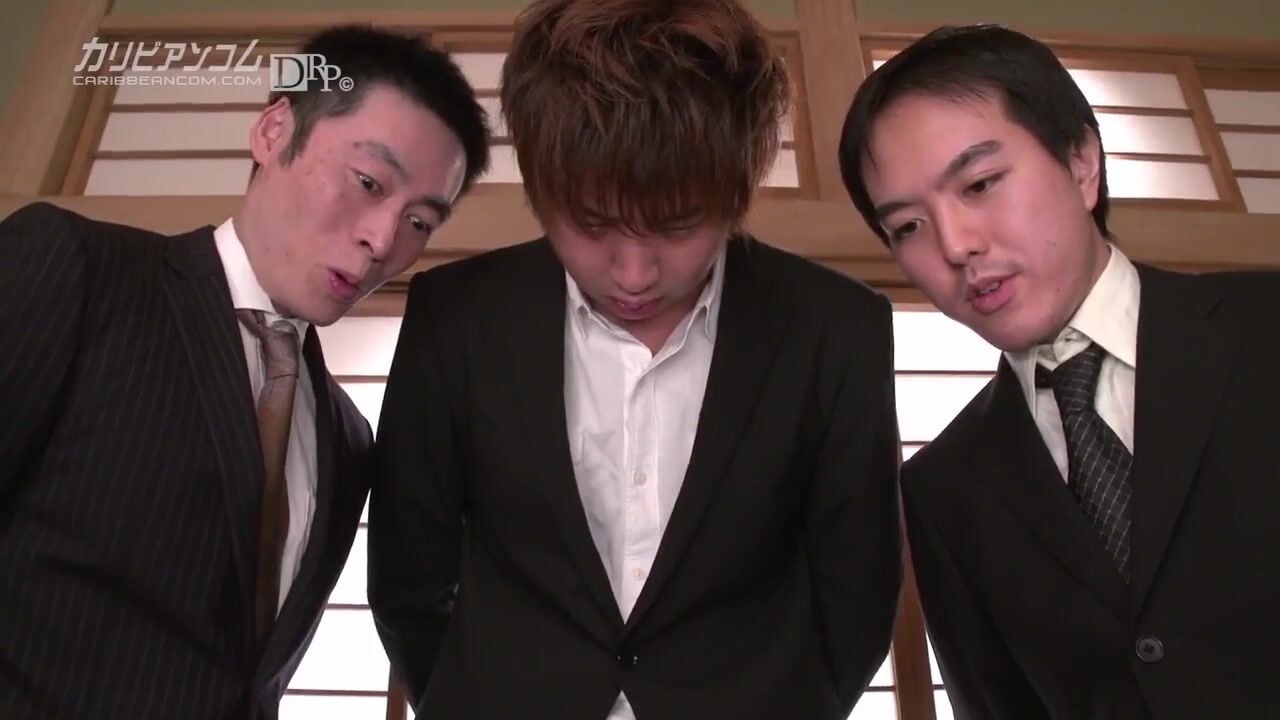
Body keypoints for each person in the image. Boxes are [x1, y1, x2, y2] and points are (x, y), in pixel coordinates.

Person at [367, 1, 902, 718]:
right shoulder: (457, 315)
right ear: (541, 190)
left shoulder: (836, 326)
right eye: (592, 225)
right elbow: (409, 573)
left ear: (736, 193)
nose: (634, 275)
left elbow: (858, 589)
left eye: (677, 227)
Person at [0, 24, 489, 720]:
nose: (382, 240)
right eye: (367, 183)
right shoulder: (77, 270)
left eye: (419, 222)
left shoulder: (347, 438)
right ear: (273, 131)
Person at [839, 23, 1280, 720]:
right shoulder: (943, 488)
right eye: (908, 227)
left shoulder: (1263, 325)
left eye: (980, 183)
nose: (955, 245)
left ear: (1081, 163)